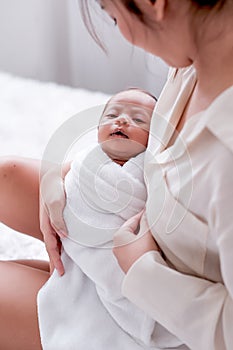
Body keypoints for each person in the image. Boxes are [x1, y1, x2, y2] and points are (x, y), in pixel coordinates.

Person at [0, 0, 232, 349]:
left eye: (111, 15)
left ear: (153, 4)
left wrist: (142, 269)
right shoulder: (192, 64)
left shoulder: (226, 154)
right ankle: (73, 281)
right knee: (7, 176)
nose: (120, 31)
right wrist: (64, 176)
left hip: (155, 317)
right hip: (139, 226)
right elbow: (156, 157)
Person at [38, 88, 157, 349]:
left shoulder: (152, 169)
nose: (122, 121)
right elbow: (68, 175)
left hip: (122, 279)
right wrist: (52, 181)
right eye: (112, 114)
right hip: (73, 261)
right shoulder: (86, 161)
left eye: (138, 120)